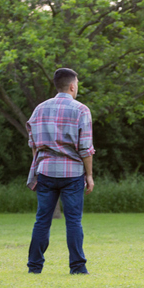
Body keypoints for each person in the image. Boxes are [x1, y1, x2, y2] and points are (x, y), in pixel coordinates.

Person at [26, 68, 95, 274]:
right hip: (72, 173)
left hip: (46, 171)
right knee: (73, 221)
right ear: (72, 86)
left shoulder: (39, 109)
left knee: (42, 220)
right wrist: (89, 175)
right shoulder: (81, 110)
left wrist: (39, 165)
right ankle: (77, 267)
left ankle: (35, 267)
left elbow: (33, 144)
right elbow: (85, 148)